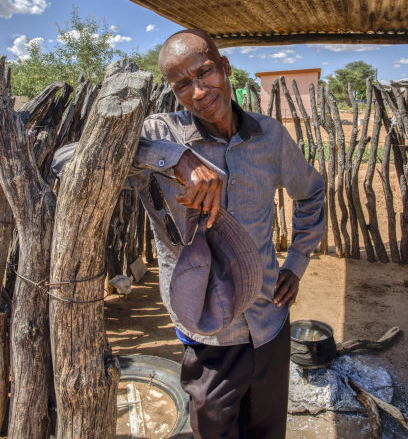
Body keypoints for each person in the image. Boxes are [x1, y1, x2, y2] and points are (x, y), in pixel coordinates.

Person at [53, 28, 325, 438]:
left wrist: (297, 262)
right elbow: (65, 161)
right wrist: (174, 159)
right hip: (209, 333)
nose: (198, 92)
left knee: (269, 431)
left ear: (225, 67)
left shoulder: (269, 136)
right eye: (182, 85)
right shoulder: (159, 133)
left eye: (205, 73)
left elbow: (313, 192)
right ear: (172, 91)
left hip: (270, 319)